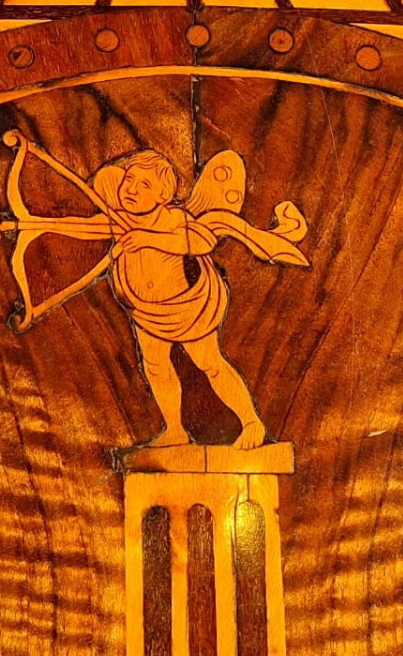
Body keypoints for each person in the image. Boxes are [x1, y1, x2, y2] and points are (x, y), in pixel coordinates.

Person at [22, 148, 306, 449]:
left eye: (144, 185)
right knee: (156, 366)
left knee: (210, 363)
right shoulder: (119, 220)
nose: (132, 189)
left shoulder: (173, 218)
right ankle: (174, 429)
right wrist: (32, 225)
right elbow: (85, 228)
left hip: (184, 310)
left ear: (162, 195)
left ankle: (251, 422)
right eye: (129, 180)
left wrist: (147, 239)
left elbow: (201, 241)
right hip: (146, 312)